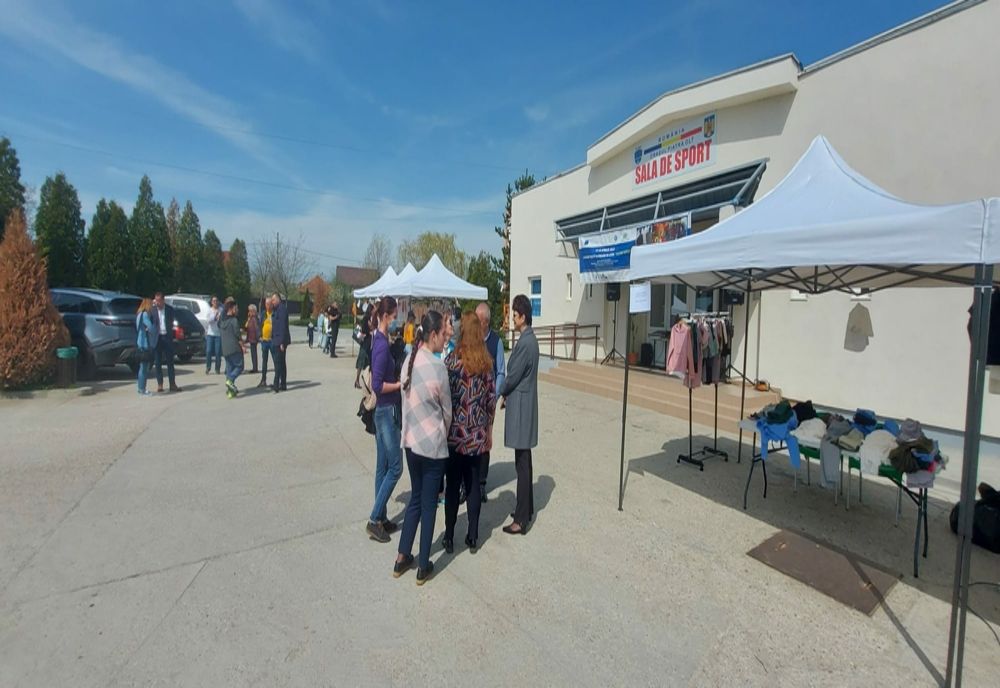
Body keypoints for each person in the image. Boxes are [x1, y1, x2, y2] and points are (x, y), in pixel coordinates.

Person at [393, 311, 452, 584]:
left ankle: (402, 556)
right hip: (431, 447)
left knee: (416, 499)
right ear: (433, 335)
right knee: (429, 505)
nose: (446, 337)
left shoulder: (409, 360)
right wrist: (443, 434)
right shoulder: (438, 368)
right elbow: (447, 412)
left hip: (410, 443)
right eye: (443, 333)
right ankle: (424, 563)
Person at [442, 312, 496, 553]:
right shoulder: (486, 365)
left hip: (454, 436)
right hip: (475, 437)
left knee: (453, 485)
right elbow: (491, 402)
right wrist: (489, 429)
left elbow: (443, 398)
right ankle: (473, 535)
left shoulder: (452, 362)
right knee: (474, 484)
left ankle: (450, 535)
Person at [500, 294, 539, 535]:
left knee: (522, 465)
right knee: (524, 462)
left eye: (514, 314)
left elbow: (512, 375)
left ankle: (522, 519)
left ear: (522, 316)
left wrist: (501, 391)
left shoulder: (526, 343)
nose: (511, 318)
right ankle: (526, 507)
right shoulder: (528, 339)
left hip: (522, 408)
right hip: (523, 403)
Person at [366, 296, 403, 543]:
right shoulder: (380, 345)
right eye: (394, 316)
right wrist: (400, 384)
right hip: (386, 411)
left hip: (383, 412)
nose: (395, 321)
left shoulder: (379, 340)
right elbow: (377, 386)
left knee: (382, 466)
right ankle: (374, 518)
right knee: (396, 467)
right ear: (385, 316)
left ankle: (381, 517)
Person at [476, 302, 505, 503]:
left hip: (488, 403)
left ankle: (481, 483)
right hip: (471, 403)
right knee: (469, 442)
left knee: (485, 442)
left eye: (478, 321)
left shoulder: (496, 342)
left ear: (485, 322)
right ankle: (466, 483)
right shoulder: (471, 340)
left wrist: (495, 395)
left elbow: (501, 371)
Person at [149, 292, 182, 393]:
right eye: (156, 300)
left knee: (170, 362)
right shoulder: (152, 310)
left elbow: (172, 322)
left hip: (167, 337)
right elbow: (150, 323)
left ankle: (172, 384)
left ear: (163, 300)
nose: (157, 303)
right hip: (157, 338)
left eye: (159, 300)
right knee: (158, 362)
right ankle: (160, 385)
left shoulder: (169, 309)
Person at [220, 298, 246, 398]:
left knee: (230, 368)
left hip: (225, 349)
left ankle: (230, 391)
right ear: (231, 308)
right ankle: (230, 380)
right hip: (234, 348)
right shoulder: (234, 320)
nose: (237, 309)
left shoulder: (222, 321)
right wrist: (242, 346)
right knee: (240, 366)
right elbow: (237, 335)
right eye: (236, 307)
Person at [270, 293, 290, 392]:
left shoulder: (282, 309)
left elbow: (282, 327)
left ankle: (276, 385)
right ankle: (283, 384)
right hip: (276, 339)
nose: (272, 302)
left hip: (280, 341)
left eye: (273, 300)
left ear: (278, 299)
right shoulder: (276, 309)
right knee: (281, 363)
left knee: (279, 363)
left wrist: (282, 342)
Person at [134, 298, 155, 396]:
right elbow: (151, 328)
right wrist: (151, 328)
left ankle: (140, 388)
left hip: (139, 342)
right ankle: (142, 388)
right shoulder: (145, 315)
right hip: (144, 343)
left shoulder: (139, 315)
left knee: (141, 367)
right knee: (144, 368)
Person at [354, 304, 372, 389]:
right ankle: (357, 380)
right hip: (365, 342)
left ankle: (363, 381)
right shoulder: (366, 319)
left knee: (366, 362)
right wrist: (370, 329)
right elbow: (364, 330)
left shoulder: (367, 318)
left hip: (367, 343)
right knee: (362, 361)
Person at [204, 296, 223, 375]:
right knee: (208, 351)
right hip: (210, 334)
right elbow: (208, 320)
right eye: (214, 301)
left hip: (218, 334)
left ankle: (217, 368)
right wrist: (214, 316)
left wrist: (220, 318)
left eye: (216, 301)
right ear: (211, 302)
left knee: (218, 352)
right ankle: (208, 367)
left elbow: (223, 320)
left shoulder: (221, 310)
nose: (215, 302)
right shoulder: (209, 310)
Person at [257, 298, 273, 388]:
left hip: (272, 341)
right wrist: (260, 336)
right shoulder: (263, 314)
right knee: (264, 361)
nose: (268, 306)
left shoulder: (274, 313)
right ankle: (263, 380)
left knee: (275, 360)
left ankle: (277, 380)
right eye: (267, 304)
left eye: (270, 304)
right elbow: (259, 325)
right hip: (264, 341)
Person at [245, 304, 260, 374]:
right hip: (251, 337)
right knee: (253, 353)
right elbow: (246, 326)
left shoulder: (255, 318)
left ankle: (255, 368)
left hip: (254, 338)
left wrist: (258, 337)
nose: (249, 312)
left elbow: (257, 328)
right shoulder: (250, 318)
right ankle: (254, 367)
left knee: (254, 353)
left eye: (250, 311)